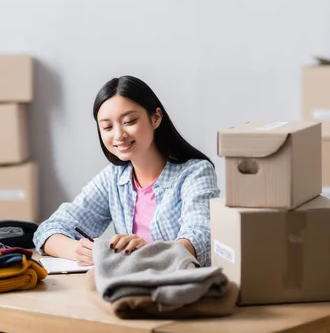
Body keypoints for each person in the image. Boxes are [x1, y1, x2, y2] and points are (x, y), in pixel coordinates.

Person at [33, 75, 220, 267]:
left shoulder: (195, 173)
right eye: (107, 127)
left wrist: (147, 252)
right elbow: (48, 229)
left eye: (129, 121)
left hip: (183, 288)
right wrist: (78, 251)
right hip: (129, 288)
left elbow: (201, 238)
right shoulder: (114, 177)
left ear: (156, 118)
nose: (119, 135)